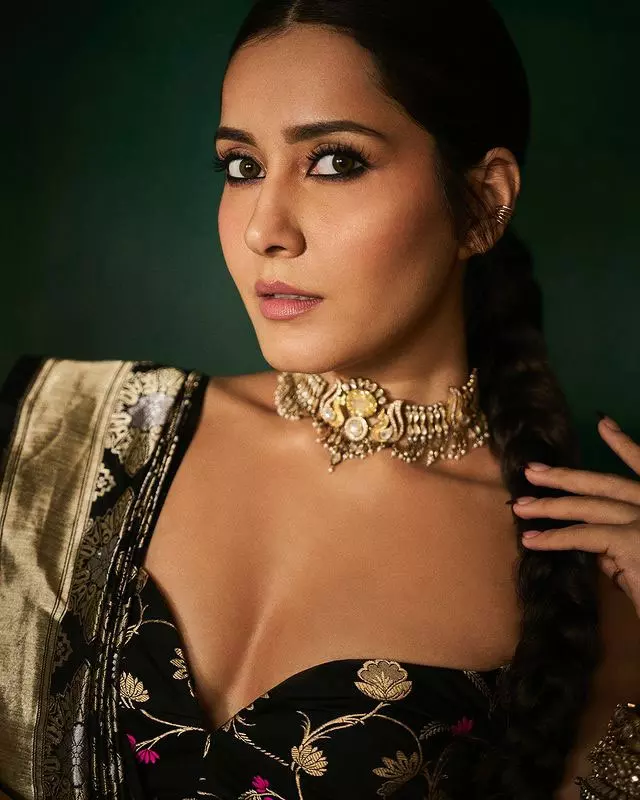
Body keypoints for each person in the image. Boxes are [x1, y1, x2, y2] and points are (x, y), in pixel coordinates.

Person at [1, 0, 639, 798]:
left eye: (334, 161)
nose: (265, 228)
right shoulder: (58, 434)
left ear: (483, 203)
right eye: (242, 166)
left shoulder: (582, 573)